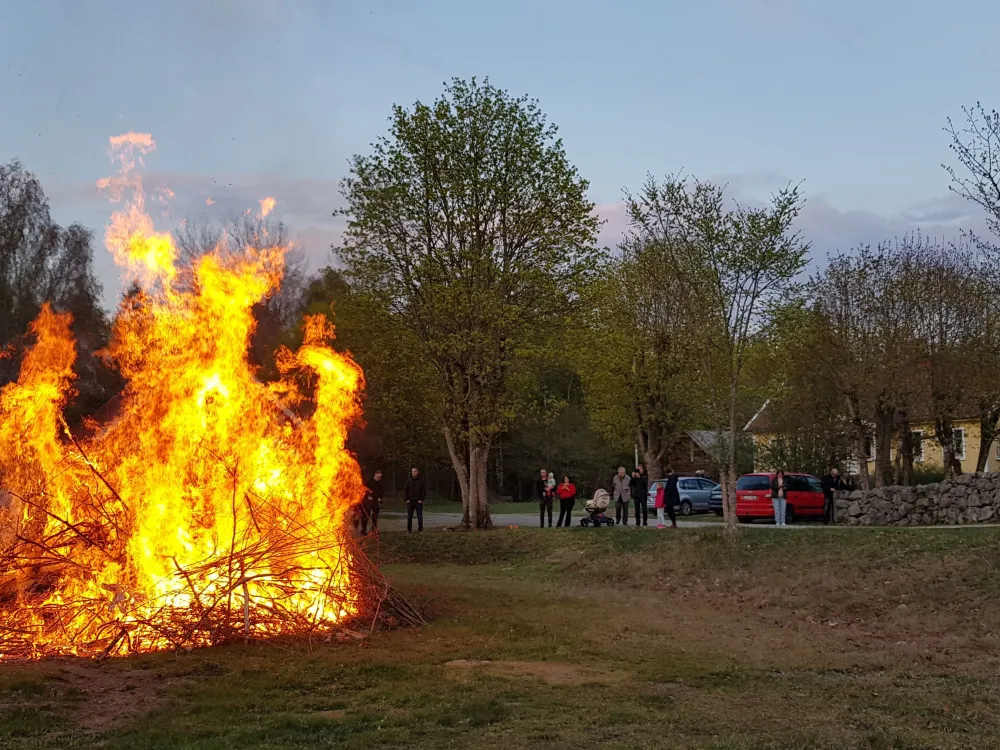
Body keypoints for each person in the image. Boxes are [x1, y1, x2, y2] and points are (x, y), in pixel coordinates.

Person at [360, 469, 384, 536]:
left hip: (376, 501)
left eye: (380, 477)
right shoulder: (369, 482)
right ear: (375, 475)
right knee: (366, 516)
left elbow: (382, 491)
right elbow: (365, 490)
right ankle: (363, 531)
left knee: (375, 516)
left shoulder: (381, 482)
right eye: (378, 477)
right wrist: (368, 495)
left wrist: (380, 497)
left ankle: (374, 530)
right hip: (367, 501)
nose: (379, 478)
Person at [404, 466, 426, 533]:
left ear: (417, 472)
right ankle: (409, 530)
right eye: (412, 471)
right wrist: (406, 499)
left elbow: (424, 491)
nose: (413, 473)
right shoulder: (408, 481)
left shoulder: (421, 481)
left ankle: (420, 530)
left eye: (415, 471)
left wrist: (421, 499)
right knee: (409, 517)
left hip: (418, 502)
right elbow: (405, 491)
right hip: (410, 502)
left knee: (419, 517)